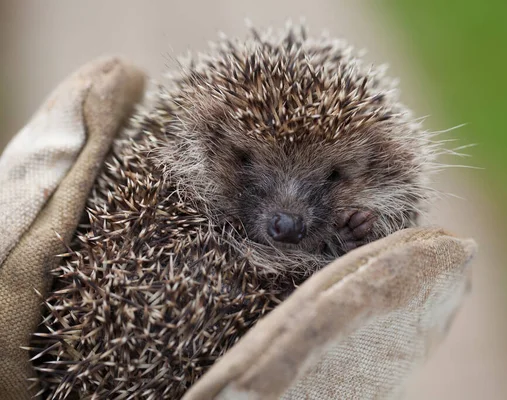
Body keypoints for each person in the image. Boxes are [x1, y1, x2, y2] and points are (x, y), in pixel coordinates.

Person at [0, 57, 476, 399]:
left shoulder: (386, 186)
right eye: (249, 164)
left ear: (379, 165)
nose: (287, 218)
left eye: (331, 177)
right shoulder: (178, 156)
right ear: (209, 140)